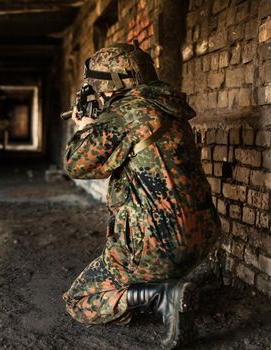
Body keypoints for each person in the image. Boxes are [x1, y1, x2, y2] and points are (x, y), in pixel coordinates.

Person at [61, 43, 220, 349]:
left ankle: (162, 296)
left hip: (157, 244)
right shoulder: (167, 105)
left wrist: (84, 126)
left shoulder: (126, 113)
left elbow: (77, 164)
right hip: (202, 236)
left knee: (80, 300)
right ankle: (161, 285)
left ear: (113, 82)